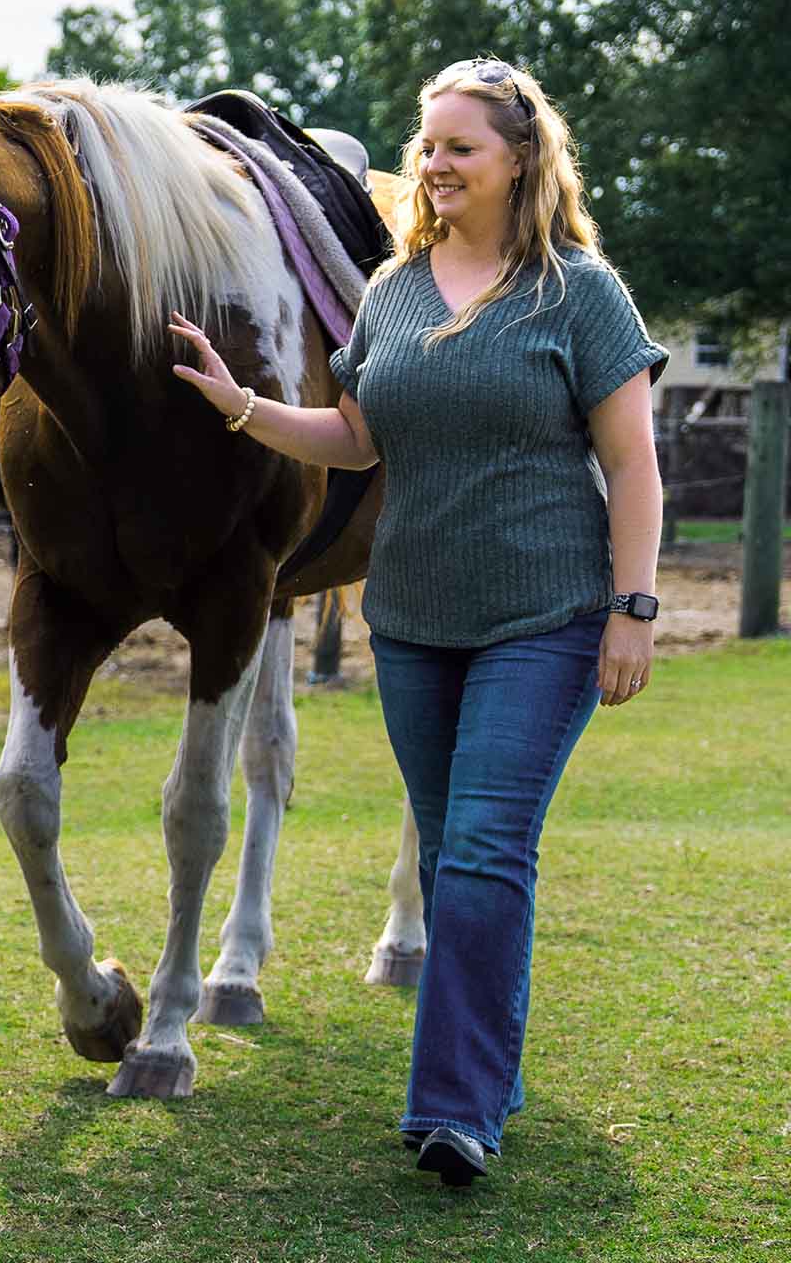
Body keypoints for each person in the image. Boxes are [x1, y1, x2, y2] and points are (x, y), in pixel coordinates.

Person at [166, 58, 666, 1186]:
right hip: (414, 621)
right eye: (428, 145)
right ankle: (488, 1067)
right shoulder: (392, 292)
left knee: (488, 848)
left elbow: (632, 463)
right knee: (452, 857)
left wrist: (634, 607)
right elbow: (356, 437)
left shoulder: (578, 292)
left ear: (521, 160)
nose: (433, 165)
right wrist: (238, 404)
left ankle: (452, 1107)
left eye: (459, 148)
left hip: (546, 614)